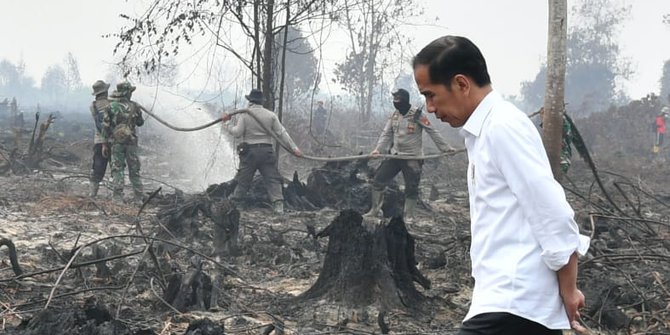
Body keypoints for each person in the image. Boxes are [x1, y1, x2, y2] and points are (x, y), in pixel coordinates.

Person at [413, 35, 590, 334]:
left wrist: (569, 291)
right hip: (507, 303)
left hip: (514, 303)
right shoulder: (485, 131)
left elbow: (553, 213)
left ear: (461, 84)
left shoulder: (503, 128)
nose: (429, 108)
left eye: (431, 95)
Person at [364, 88, 453, 220]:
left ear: (405, 101)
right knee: (378, 180)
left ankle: (408, 216)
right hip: (395, 155)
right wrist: (378, 149)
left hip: (412, 158)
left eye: (398, 100)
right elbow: (386, 133)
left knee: (411, 188)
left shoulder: (417, 114)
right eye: (394, 100)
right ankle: (375, 210)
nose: (395, 102)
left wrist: (445, 148)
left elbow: (432, 131)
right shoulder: (395, 115)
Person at [221, 88, 303, 214]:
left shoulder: (245, 115)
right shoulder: (270, 115)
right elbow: (282, 133)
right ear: (261, 102)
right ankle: (278, 205)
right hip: (267, 152)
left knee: (243, 180)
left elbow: (237, 133)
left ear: (250, 101)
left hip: (250, 153)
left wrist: (226, 123)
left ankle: (236, 204)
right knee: (272, 179)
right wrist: (295, 148)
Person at [101, 82, 145, 202]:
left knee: (117, 169)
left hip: (116, 143)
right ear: (128, 93)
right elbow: (141, 123)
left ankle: (118, 197)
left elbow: (105, 127)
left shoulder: (110, 107)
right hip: (131, 143)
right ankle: (139, 197)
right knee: (134, 169)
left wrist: (104, 144)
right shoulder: (135, 106)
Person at [89, 80, 111, 197]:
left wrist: (103, 141)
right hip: (113, 140)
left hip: (99, 140)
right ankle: (116, 195)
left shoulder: (92, 106)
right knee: (116, 169)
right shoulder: (111, 104)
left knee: (97, 167)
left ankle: (92, 194)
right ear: (105, 92)